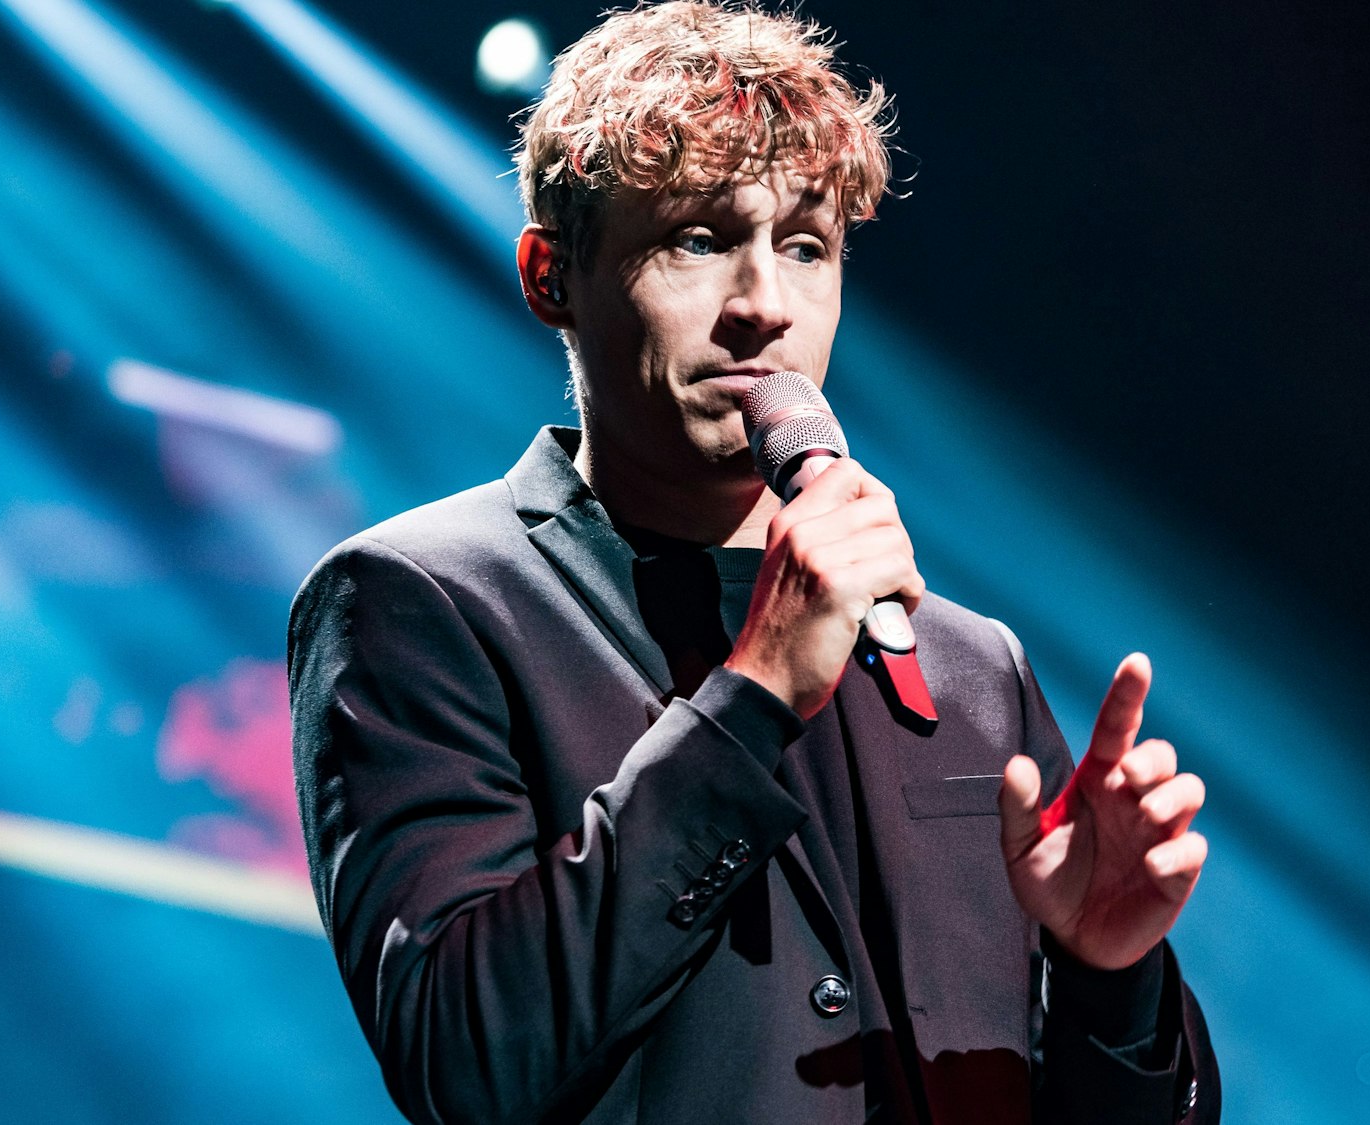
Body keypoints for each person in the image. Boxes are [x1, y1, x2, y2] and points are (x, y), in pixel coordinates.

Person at [286, 3, 1219, 1122]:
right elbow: (469, 1063)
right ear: (550, 277)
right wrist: (756, 693)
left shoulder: (971, 665)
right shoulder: (423, 601)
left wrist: (1110, 981)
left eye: (805, 247)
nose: (764, 308)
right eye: (697, 238)